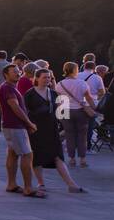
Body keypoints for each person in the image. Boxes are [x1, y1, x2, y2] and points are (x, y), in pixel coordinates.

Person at [24, 67, 84, 195]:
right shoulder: (30, 94)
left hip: (51, 130)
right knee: (37, 157)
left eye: (49, 77)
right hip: (35, 130)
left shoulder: (53, 93)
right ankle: (41, 183)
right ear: (37, 78)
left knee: (58, 156)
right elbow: (25, 112)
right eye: (44, 77)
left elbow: (62, 113)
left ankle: (71, 184)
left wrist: (65, 128)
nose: (47, 80)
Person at [0, 63, 39, 197]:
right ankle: (28, 187)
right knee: (27, 154)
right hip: (15, 126)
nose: (18, 73)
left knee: (13, 153)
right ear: (6, 74)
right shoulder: (8, 88)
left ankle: (12, 184)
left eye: (18, 71)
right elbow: (15, 107)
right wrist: (29, 123)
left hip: (9, 125)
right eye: (14, 72)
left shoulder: (6, 87)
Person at [56, 61, 97, 168]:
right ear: (75, 70)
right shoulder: (82, 83)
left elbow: (59, 100)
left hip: (65, 111)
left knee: (69, 136)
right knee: (82, 136)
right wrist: (94, 108)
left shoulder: (59, 84)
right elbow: (88, 98)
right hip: (80, 111)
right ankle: (82, 160)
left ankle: (72, 159)